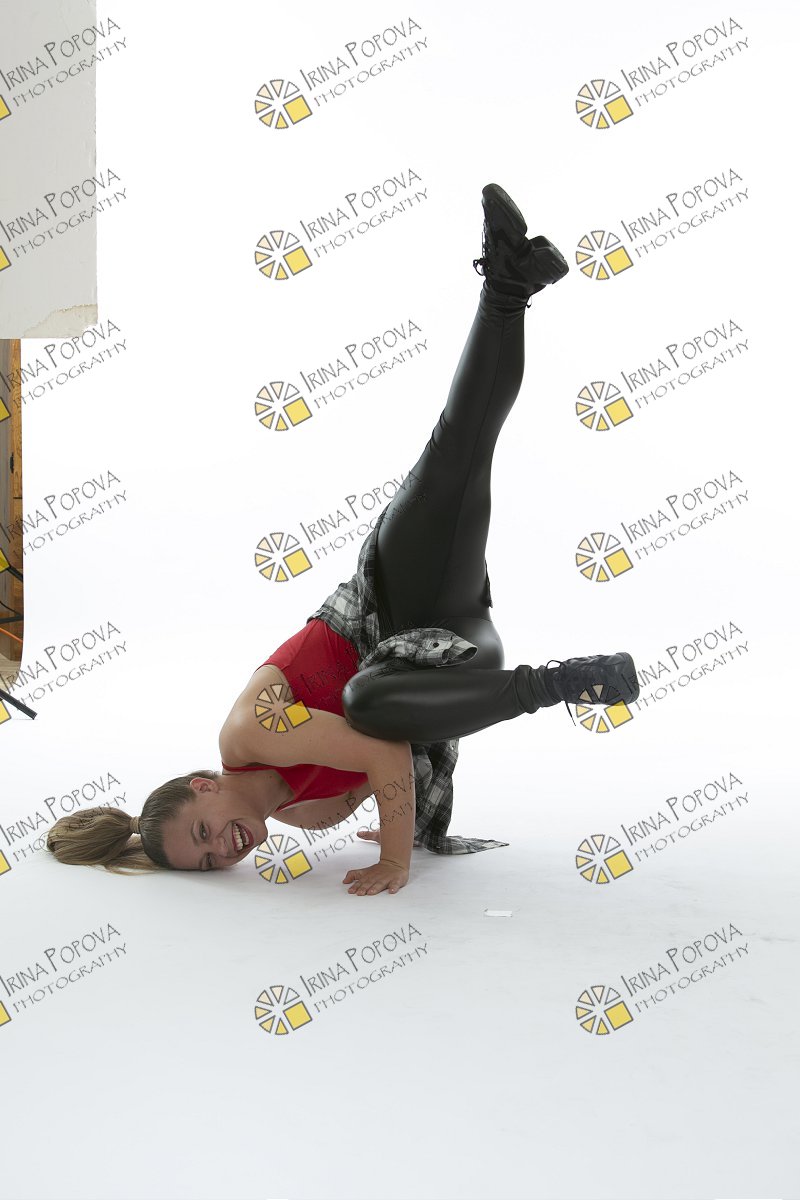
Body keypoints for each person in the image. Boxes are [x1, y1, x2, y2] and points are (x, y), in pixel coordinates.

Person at [46, 183, 639, 895]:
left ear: (205, 785)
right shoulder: (311, 813)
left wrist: (396, 857)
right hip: (458, 649)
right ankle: (510, 287)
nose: (223, 850)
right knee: (377, 699)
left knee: (460, 451)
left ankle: (508, 286)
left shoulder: (246, 736)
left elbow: (382, 757)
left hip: (397, 594)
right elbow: (399, 757)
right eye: (208, 862)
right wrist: (397, 818)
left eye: (203, 833)